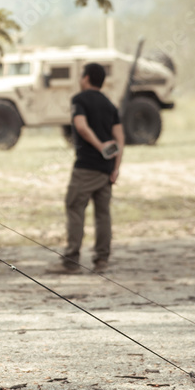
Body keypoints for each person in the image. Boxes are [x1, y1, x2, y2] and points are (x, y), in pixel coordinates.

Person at [51, 62, 124, 273]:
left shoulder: (79, 100)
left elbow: (81, 126)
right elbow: (120, 139)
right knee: (103, 215)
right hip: (106, 169)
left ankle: (71, 260)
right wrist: (116, 167)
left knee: (74, 208)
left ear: (86, 78)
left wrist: (99, 145)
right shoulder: (110, 105)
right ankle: (102, 260)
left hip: (86, 166)